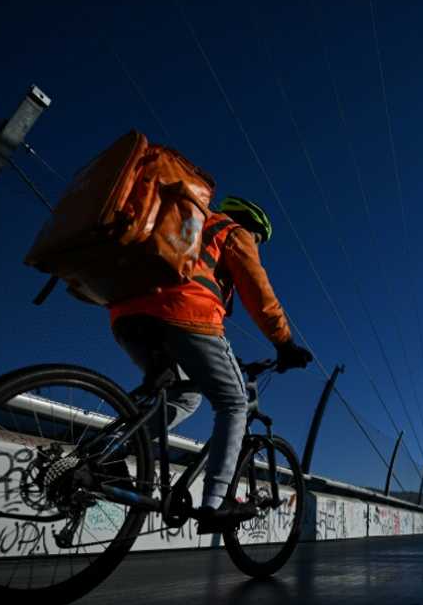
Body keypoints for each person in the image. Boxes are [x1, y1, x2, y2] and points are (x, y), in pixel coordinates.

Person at [108, 195, 312, 528]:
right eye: (258, 239)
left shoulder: (184, 228)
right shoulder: (232, 231)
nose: (256, 244)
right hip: (185, 314)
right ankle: (217, 501)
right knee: (233, 402)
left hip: (127, 314)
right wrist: (284, 343)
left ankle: (109, 450)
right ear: (251, 226)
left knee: (186, 395)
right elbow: (258, 292)